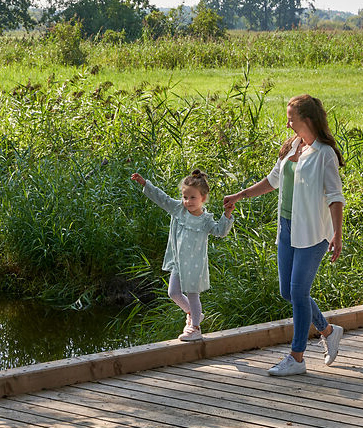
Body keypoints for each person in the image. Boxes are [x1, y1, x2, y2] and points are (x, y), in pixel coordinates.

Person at [223, 95, 345, 376]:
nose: (287, 122)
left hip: (313, 232)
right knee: (287, 292)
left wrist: (337, 234)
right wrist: (240, 195)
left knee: (299, 292)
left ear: (307, 120)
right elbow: (272, 180)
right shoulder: (292, 145)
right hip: (288, 228)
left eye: (291, 117)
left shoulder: (324, 154)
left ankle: (297, 358)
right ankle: (328, 330)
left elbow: (335, 197)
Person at [130, 170, 234, 342]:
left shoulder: (205, 220)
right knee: (173, 293)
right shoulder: (179, 209)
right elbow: (161, 198)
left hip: (195, 264)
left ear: (203, 197)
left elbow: (220, 231)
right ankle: (194, 315)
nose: (188, 201)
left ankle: (195, 328)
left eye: (192, 198)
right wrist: (144, 183)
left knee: (193, 295)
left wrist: (227, 214)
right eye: (185, 197)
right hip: (179, 262)